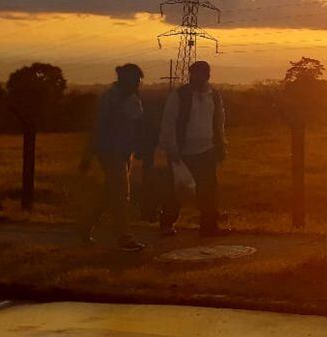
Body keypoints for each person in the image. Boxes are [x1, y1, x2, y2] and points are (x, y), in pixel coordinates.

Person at [78, 64, 146, 252]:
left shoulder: (130, 97)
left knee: (110, 193)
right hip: (111, 151)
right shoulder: (110, 99)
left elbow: (136, 125)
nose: (138, 85)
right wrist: (88, 155)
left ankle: (84, 227)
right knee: (121, 194)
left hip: (125, 152)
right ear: (127, 80)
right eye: (136, 82)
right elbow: (98, 127)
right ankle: (124, 237)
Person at [159, 61, 230, 236]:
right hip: (182, 151)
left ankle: (209, 226)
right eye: (194, 74)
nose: (197, 77)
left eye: (201, 74)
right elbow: (169, 121)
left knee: (208, 190)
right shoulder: (179, 95)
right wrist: (172, 148)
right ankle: (167, 224)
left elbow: (219, 121)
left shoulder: (214, 95)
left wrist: (221, 144)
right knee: (177, 190)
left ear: (207, 75)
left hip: (207, 150)